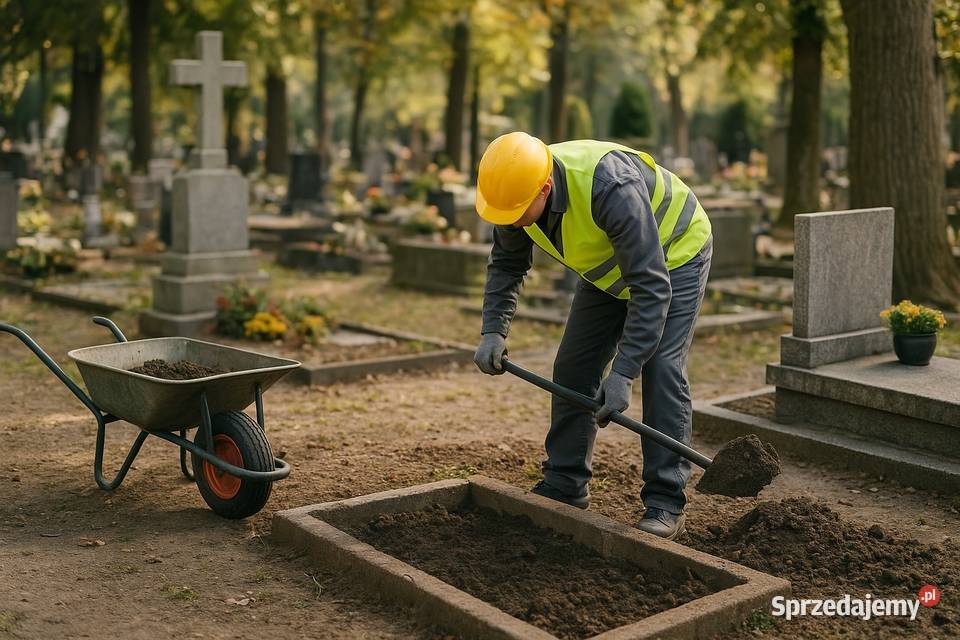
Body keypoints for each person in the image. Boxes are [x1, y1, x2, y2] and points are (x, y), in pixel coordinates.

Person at [473, 132, 712, 540]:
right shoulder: (516, 195)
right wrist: (493, 329)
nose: (509, 221)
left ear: (545, 187)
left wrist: (623, 373)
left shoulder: (609, 187)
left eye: (515, 211)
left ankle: (666, 499)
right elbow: (507, 266)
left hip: (674, 256)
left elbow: (651, 288)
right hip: (609, 271)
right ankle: (565, 482)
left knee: (661, 367)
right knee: (574, 365)